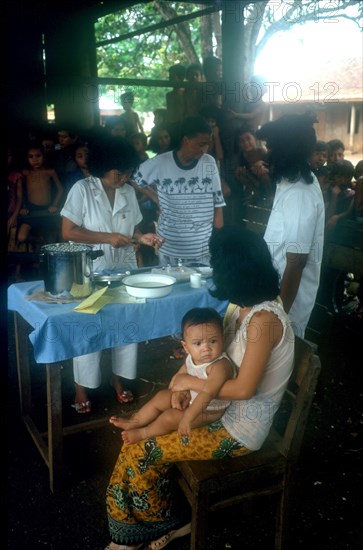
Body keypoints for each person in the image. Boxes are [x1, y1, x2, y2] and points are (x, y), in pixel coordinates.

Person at [105, 225, 295, 550]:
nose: (215, 275)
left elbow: (243, 389)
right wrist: (179, 383)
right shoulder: (242, 307)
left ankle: (149, 528)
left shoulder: (264, 320)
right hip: (215, 410)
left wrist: (187, 382)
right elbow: (206, 356)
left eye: (219, 268)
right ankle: (150, 520)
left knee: (143, 450)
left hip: (238, 430)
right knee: (140, 439)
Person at [61, 136, 164, 414]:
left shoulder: (128, 191)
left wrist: (144, 238)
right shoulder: (82, 189)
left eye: (128, 173)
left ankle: (116, 378)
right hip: (89, 271)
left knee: (124, 325)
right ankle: (81, 386)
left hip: (123, 270)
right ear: (101, 167)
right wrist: (107, 238)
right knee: (89, 327)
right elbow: (68, 231)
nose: (124, 178)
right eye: (118, 173)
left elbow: (133, 231)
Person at [109, 307, 235, 445]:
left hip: (208, 410)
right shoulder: (193, 356)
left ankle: (143, 432)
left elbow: (208, 393)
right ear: (186, 347)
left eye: (213, 341)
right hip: (191, 397)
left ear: (222, 339)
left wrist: (187, 418)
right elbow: (184, 369)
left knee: (169, 418)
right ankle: (133, 422)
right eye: (198, 343)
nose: (206, 348)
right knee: (161, 397)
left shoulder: (220, 366)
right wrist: (175, 387)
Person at [257, 114, 325, 338]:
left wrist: (279, 315)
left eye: (271, 148)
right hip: (274, 292)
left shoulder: (299, 193)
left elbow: (296, 262)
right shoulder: (289, 181)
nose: (267, 155)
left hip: (286, 303)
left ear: (286, 151)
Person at [134, 115, 225, 267]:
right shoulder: (160, 162)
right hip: (170, 249)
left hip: (203, 251)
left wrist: (219, 240)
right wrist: (155, 197)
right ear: (186, 140)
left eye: (207, 145)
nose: (205, 150)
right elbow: (133, 179)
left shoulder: (209, 162)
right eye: (201, 144)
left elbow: (218, 204)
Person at [17, 143, 63, 249]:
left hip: (48, 209)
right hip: (31, 211)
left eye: (38, 156)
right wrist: (23, 207)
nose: (35, 159)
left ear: (44, 156)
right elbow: (21, 192)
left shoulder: (50, 172)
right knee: (21, 237)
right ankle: (38, 240)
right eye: (31, 157)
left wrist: (54, 205)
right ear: (26, 158)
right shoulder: (25, 173)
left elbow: (60, 189)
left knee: (52, 238)